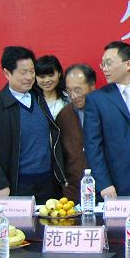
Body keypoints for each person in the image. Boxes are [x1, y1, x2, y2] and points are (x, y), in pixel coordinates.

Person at [0, 46, 65, 201]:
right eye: (23, 72)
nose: (29, 77)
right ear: (7, 73)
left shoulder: (39, 97)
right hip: (17, 184)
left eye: (32, 71)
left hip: (48, 182)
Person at [83, 41, 130, 199]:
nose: (104, 68)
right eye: (103, 64)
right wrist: (104, 183)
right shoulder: (97, 99)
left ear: (128, 64)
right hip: (116, 179)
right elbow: (92, 146)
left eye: (109, 63)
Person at [56, 63, 96, 200]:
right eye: (69, 90)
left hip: (104, 188)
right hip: (73, 190)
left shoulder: (107, 110)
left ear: (92, 85)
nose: (73, 96)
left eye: (78, 90)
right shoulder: (63, 116)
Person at [35, 54, 67, 119]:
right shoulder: (31, 100)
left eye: (51, 75)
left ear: (59, 73)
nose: (47, 80)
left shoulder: (68, 100)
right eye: (42, 77)